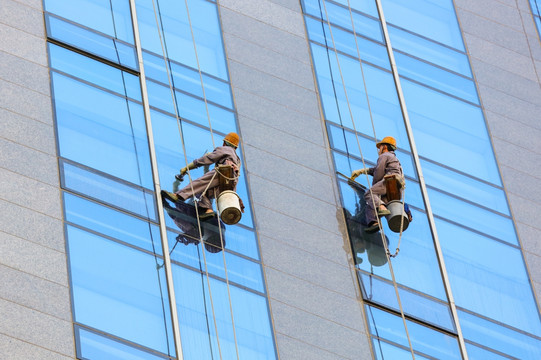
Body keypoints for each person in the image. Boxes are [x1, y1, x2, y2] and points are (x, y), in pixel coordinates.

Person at [162, 132, 242, 218]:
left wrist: (187, 167)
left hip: (224, 172)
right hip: (229, 185)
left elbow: (206, 159)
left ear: (224, 143)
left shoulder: (226, 149)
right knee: (201, 191)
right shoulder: (237, 159)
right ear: (236, 147)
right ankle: (208, 210)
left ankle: (178, 195)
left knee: (199, 183)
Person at [350, 136, 404, 233]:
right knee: (371, 204)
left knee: (369, 194)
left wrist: (375, 186)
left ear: (385, 147)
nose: (379, 150)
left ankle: (382, 207)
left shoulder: (384, 156)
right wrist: (362, 171)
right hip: (395, 188)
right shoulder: (394, 158)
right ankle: (374, 223)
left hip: (389, 181)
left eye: (380, 147)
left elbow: (379, 171)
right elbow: (375, 169)